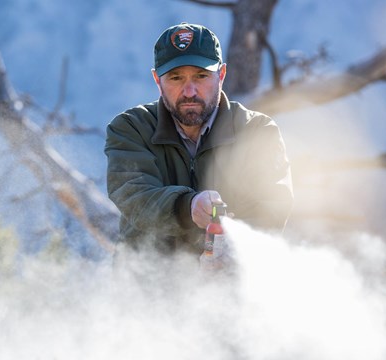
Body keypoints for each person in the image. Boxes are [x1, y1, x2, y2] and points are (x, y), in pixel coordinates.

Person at [104, 22, 293, 257]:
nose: (190, 91)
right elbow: (133, 195)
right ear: (157, 80)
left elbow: (272, 206)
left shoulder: (257, 131)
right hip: (144, 287)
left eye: (201, 76)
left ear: (221, 75)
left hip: (228, 286)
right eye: (175, 78)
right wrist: (188, 206)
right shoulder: (131, 128)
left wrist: (226, 254)